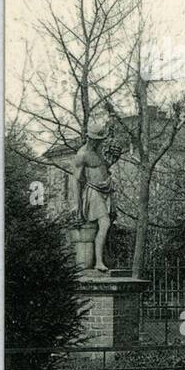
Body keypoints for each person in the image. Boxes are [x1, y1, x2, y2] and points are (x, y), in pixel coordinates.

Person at [72, 116, 117, 272]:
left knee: (107, 224)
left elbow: (103, 167)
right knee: (105, 224)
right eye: (97, 139)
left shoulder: (99, 151)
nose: (99, 142)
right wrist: (77, 205)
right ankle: (98, 262)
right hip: (93, 192)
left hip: (107, 189)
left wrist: (112, 161)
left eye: (100, 139)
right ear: (90, 138)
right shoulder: (82, 154)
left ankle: (104, 258)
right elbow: (77, 181)